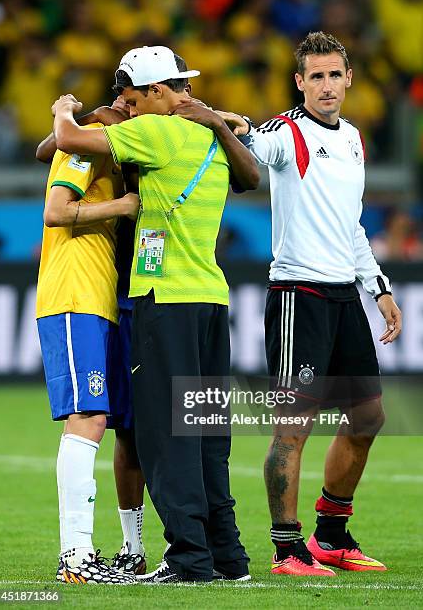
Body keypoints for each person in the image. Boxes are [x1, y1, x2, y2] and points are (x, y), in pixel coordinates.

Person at [51, 45, 259, 583]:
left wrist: (61, 109)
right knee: (210, 436)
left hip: (163, 303)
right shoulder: (212, 137)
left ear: (158, 94)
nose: (130, 107)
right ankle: (227, 556)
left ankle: (189, 557)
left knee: (167, 439)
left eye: (135, 97)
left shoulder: (158, 133)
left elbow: (69, 140)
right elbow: (251, 177)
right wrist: (219, 118)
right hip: (212, 299)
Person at [209, 31, 402, 576]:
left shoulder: (354, 140)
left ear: (349, 78)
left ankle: (331, 536)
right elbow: (252, 142)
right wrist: (233, 125)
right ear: (299, 82)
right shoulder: (286, 131)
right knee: (293, 425)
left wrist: (379, 287)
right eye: (315, 76)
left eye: (334, 74)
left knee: (368, 416)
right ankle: (286, 549)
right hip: (299, 294)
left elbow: (352, 227)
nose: (326, 85)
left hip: (345, 295)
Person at [36, 100, 145, 585]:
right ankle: (75, 556)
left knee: (115, 420)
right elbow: (56, 211)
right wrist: (121, 207)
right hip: (73, 294)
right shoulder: (88, 148)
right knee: (88, 417)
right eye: (125, 104)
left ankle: (114, 553)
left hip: (101, 300)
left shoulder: (113, 154)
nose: (132, 112)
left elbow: (48, 146)